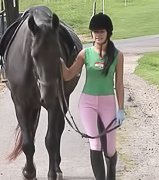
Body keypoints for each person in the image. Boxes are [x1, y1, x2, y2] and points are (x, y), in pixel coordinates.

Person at [60, 12, 125, 180]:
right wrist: (59, 62)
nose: (97, 35)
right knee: (94, 142)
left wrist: (121, 109)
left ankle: (111, 174)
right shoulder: (85, 54)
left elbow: (118, 84)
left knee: (110, 148)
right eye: (95, 32)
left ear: (108, 33)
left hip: (108, 103)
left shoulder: (117, 56)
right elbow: (68, 75)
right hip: (87, 103)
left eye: (101, 32)